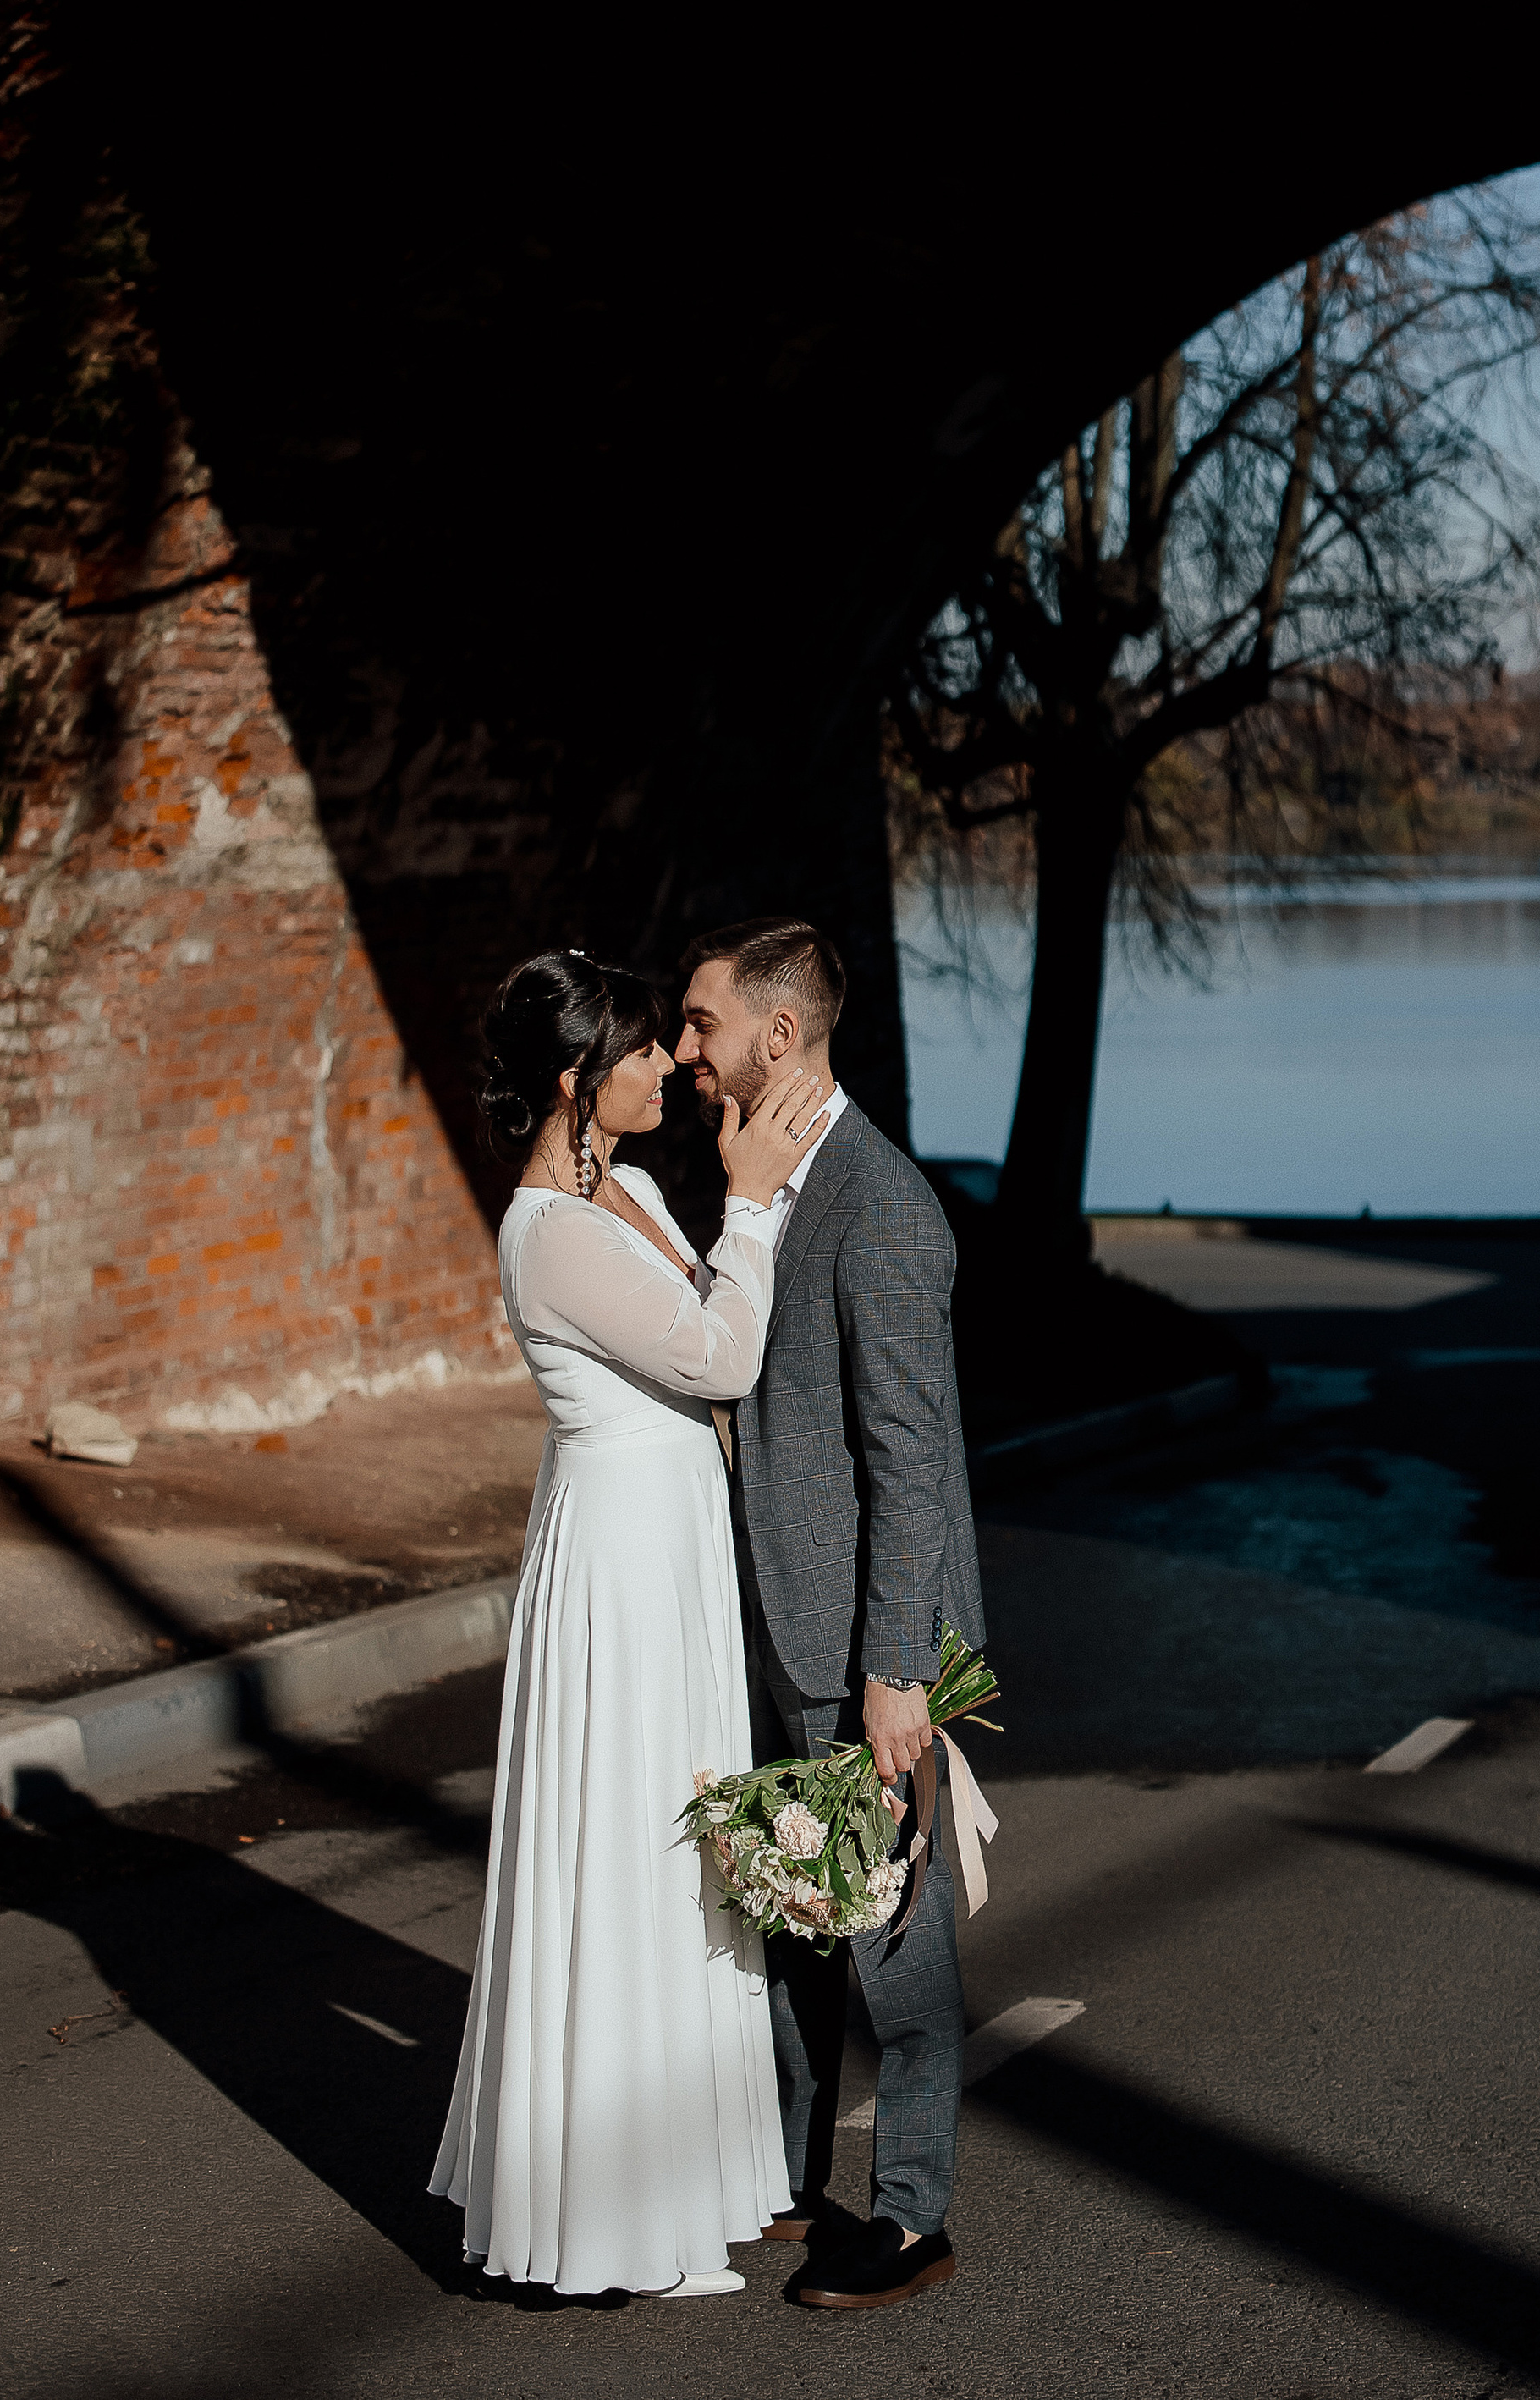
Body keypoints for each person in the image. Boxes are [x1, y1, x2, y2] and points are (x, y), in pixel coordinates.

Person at [431, 948, 828, 2298]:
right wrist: (760, 1210)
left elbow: (702, 1324)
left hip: (674, 1563)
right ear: (573, 1079)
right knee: (626, 1860)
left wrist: (732, 1210)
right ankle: (605, 2223)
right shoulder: (548, 1236)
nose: (672, 1065)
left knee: (689, 1865)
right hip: (614, 1577)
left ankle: (687, 2196)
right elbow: (720, 1353)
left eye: (670, 1043)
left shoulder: (644, 1188)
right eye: (644, 1050)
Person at [674, 914, 984, 2311]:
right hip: (765, 1617)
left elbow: (909, 1471)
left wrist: (896, 1670)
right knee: (797, 1910)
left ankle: (911, 2213)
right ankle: (798, 2181)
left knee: (892, 1934)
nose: (687, 1051)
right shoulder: (753, 1177)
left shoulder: (886, 1207)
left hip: (863, 1642)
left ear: (778, 1037)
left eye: (702, 1025)